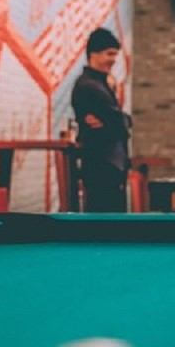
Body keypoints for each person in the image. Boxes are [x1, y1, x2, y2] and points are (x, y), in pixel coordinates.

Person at [71, 27, 131, 212]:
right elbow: (121, 124)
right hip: (102, 165)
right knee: (106, 223)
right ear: (93, 54)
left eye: (115, 54)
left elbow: (121, 121)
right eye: (109, 54)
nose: (113, 60)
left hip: (108, 165)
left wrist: (118, 120)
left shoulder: (99, 84)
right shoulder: (90, 86)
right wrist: (120, 120)